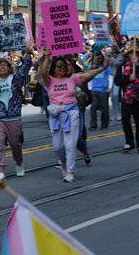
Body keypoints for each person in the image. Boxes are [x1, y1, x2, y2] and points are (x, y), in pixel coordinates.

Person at [41, 47, 110, 183]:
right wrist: (47, 57)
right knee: (57, 146)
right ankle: (64, 162)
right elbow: (42, 72)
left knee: (70, 143)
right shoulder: (49, 81)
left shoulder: (73, 79)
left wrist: (103, 68)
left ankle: (70, 172)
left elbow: (88, 74)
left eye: (65, 66)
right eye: (59, 65)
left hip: (71, 112)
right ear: (54, 68)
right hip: (55, 114)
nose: (62, 68)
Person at [0, 39, 34, 180]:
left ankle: (19, 163)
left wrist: (28, 52)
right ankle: (1, 170)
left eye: (5, 65)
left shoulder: (16, 79)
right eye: (0, 65)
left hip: (14, 118)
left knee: (15, 145)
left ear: (9, 68)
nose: (2, 67)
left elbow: (26, 67)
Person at [114, 46, 139, 154]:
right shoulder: (122, 66)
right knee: (125, 119)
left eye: (136, 53)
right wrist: (128, 79)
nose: (134, 55)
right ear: (128, 55)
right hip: (127, 98)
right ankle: (129, 142)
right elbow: (117, 81)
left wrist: (138, 66)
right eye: (132, 53)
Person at [88, 52, 113, 130]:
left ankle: (104, 125)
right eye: (96, 57)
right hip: (94, 90)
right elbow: (89, 77)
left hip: (104, 90)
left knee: (104, 108)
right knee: (93, 107)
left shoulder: (106, 67)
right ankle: (93, 125)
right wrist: (90, 88)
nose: (98, 59)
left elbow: (110, 76)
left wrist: (110, 87)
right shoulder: (92, 67)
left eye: (99, 57)